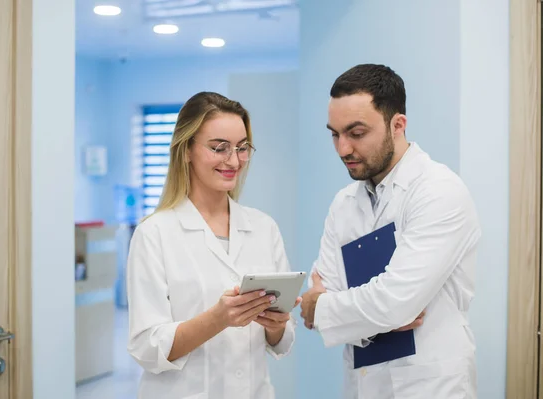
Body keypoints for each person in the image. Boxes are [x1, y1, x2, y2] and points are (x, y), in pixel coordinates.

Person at [299, 64, 481, 398]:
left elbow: (393, 303)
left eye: (356, 133)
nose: (342, 149)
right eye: (334, 134)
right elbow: (325, 291)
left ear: (398, 125)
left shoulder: (439, 191)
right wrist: (372, 312)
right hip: (363, 385)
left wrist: (322, 308)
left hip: (431, 388)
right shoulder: (343, 203)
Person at [127, 91, 300, 399]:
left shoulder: (264, 227)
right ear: (187, 150)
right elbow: (146, 347)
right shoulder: (154, 233)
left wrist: (277, 323)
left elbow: (280, 341)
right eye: (219, 148)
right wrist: (218, 319)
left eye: (242, 148)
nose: (233, 161)